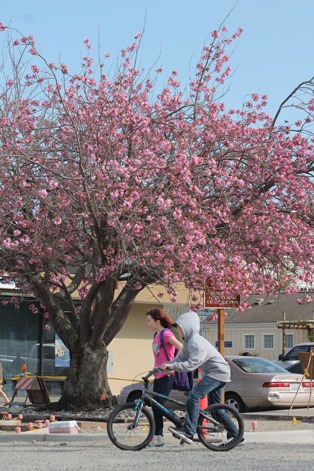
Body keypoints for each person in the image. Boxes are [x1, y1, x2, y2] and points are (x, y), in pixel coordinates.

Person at [161, 310, 245, 447]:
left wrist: (172, 367)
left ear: (187, 327)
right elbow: (180, 358)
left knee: (194, 395)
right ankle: (237, 436)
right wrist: (165, 366)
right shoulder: (189, 341)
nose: (178, 330)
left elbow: (191, 364)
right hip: (216, 373)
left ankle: (189, 430)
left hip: (217, 373)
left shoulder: (196, 342)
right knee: (216, 409)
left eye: (180, 327)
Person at [146, 307, 183, 447]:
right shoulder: (156, 335)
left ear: (157, 321)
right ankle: (159, 437)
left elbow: (181, 348)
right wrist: (155, 369)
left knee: (159, 405)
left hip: (167, 375)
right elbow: (159, 356)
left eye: (149, 321)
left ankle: (179, 423)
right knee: (155, 407)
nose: (147, 323)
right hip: (158, 375)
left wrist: (171, 365)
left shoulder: (166, 334)